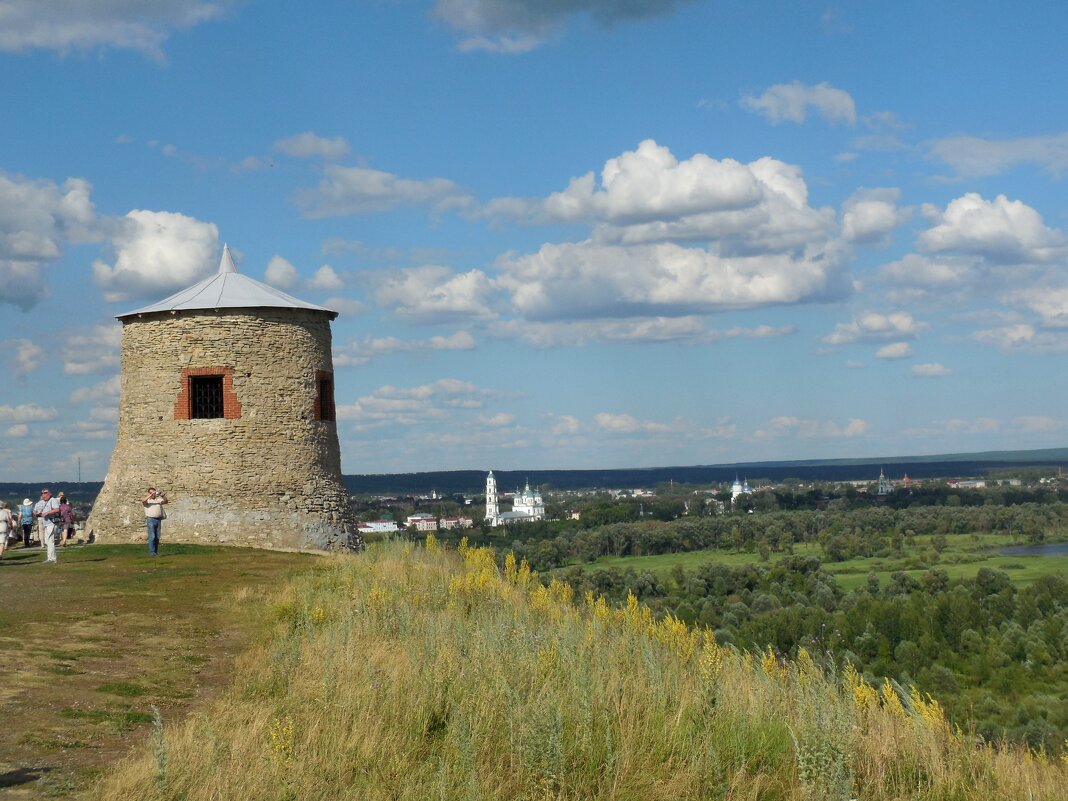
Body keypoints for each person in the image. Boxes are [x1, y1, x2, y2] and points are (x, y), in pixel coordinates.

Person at [33, 488, 60, 564]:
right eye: (42, 493)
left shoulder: (53, 500)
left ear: (49, 493)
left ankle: (52, 559)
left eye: (45, 493)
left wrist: (47, 513)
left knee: (50, 541)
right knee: (48, 541)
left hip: (52, 523)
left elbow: (57, 509)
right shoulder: (45, 502)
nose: (43, 494)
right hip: (47, 524)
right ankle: (50, 558)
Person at [142, 487, 168, 556]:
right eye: (151, 492)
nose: (153, 494)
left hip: (158, 519)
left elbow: (165, 501)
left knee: (157, 537)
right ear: (149, 493)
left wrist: (163, 496)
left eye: (153, 492)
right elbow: (143, 500)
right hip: (151, 519)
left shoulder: (158, 499)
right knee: (152, 536)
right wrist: (150, 495)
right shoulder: (147, 501)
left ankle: (155, 552)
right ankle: (152, 553)